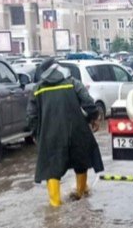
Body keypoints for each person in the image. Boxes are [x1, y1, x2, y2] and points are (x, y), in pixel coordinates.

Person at [27, 59, 104, 206]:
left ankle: (55, 206)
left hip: (50, 135)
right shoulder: (72, 82)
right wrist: (94, 117)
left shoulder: (37, 88)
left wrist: (36, 133)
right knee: (80, 161)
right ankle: (81, 196)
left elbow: (31, 115)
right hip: (76, 130)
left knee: (52, 168)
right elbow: (87, 102)